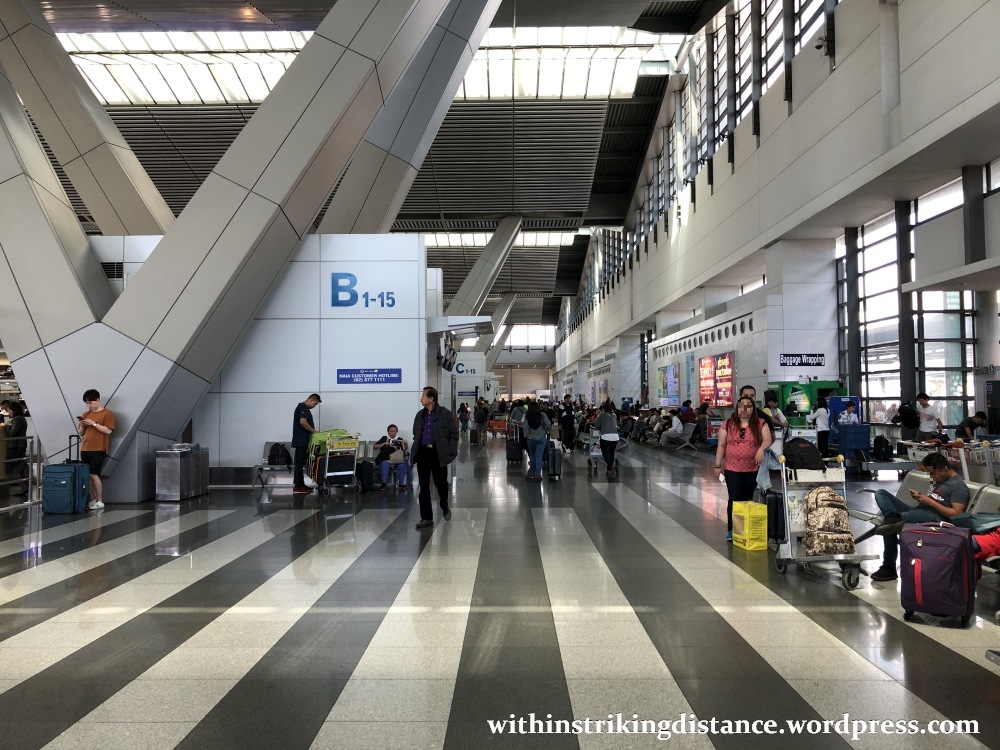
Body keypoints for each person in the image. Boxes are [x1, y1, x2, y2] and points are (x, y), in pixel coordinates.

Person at [869, 452, 969, 582]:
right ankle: (892, 517)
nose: (931, 477)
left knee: (889, 526)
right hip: (920, 510)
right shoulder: (940, 479)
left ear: (943, 469)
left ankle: (889, 567)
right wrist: (921, 497)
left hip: (934, 518)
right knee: (881, 493)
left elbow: (956, 513)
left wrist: (930, 502)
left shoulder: (958, 486)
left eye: (932, 473)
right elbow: (935, 498)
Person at [715, 396, 772, 542]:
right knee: (734, 498)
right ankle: (732, 530)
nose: (745, 409)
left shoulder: (760, 423)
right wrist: (717, 465)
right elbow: (721, 445)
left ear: (753, 409)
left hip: (752, 468)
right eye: (742, 406)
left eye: (749, 406)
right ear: (737, 408)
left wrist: (761, 449)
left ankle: (744, 529)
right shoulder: (728, 424)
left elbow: (768, 439)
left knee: (747, 499)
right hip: (732, 468)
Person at [411, 387, 458, 529]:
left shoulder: (445, 414)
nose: (421, 398)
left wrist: (450, 451)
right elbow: (416, 433)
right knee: (424, 486)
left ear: (431, 399)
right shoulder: (420, 415)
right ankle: (426, 518)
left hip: (438, 453)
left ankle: (444, 504)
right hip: (423, 453)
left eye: (423, 396)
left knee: (441, 484)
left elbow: (453, 434)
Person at [77, 389, 115, 510]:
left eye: (91, 403)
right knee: (87, 475)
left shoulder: (107, 413)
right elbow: (81, 433)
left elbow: (108, 431)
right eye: (87, 403)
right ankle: (93, 499)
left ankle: (100, 499)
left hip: (98, 448)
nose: (89, 406)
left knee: (94, 474)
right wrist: (82, 426)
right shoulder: (86, 414)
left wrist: (93, 424)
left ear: (97, 400)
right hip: (85, 448)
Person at [291, 394, 321, 494]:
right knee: (299, 463)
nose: (314, 406)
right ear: (311, 400)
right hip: (302, 441)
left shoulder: (301, 407)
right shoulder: (303, 407)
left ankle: (301, 484)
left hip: (302, 440)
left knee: (300, 463)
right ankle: (298, 486)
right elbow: (303, 422)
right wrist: (314, 431)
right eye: (315, 404)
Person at [373, 424, 409, 490]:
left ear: (397, 432)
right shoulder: (384, 438)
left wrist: (406, 444)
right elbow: (374, 447)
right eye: (391, 431)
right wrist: (384, 443)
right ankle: (384, 484)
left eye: (394, 431)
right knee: (383, 463)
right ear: (388, 432)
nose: (393, 433)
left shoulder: (399, 439)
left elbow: (405, 449)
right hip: (386, 458)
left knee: (402, 464)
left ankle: (401, 484)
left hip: (397, 459)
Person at [522, 401, 551, 481]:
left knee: (532, 455)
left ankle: (532, 473)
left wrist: (526, 435)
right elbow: (548, 424)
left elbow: (525, 426)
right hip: (541, 438)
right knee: (539, 456)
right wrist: (546, 429)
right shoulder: (542, 415)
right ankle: (538, 474)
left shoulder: (527, 416)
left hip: (531, 439)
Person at [4, 401, 28, 495]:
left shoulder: (17, 419)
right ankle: (25, 486)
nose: (9, 412)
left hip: (15, 446)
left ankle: (24, 486)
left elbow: (12, 432)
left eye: (9, 410)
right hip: (19, 445)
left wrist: (6, 427)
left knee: (11, 467)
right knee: (21, 466)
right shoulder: (21, 418)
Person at [596, 400, 620, 479]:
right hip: (615, 436)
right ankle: (609, 468)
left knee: (605, 453)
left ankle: (610, 465)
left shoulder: (601, 416)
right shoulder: (614, 415)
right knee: (612, 452)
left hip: (605, 437)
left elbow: (597, 426)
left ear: (603, 409)